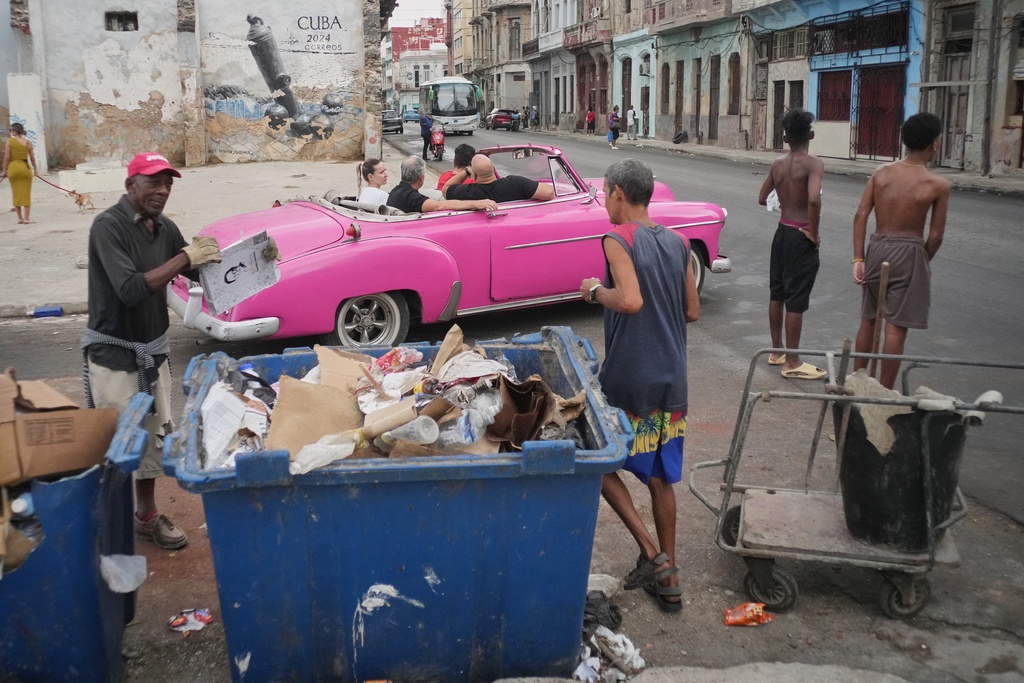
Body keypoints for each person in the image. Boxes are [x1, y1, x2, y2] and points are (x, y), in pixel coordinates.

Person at [82, 152, 229, 550]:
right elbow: (130, 290)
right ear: (131, 185)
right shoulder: (107, 227)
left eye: (168, 183)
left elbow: (195, 268)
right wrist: (185, 256)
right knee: (117, 446)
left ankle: (145, 516)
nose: (162, 190)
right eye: (153, 182)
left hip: (154, 353)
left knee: (153, 440)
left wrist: (252, 262)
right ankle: (108, 523)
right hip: (115, 356)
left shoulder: (164, 228)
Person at [579, 158, 699, 614]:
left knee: (598, 461)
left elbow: (629, 300)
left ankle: (653, 555)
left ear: (617, 194)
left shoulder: (617, 238)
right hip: (674, 375)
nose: (605, 202)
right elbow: (692, 312)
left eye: (606, 194)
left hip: (631, 374)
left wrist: (594, 292)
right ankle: (670, 582)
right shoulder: (679, 241)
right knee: (660, 477)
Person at [852, 112, 949, 389]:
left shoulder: (881, 174)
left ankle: (856, 386)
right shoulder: (938, 185)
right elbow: (937, 235)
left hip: (878, 246)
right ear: (935, 143)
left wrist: (859, 258)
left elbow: (861, 215)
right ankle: (883, 393)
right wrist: (921, 259)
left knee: (869, 318)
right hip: (910, 249)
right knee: (895, 327)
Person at [757, 108, 826, 380]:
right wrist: (814, 233)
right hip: (800, 234)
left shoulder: (777, 164)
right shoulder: (813, 164)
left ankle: (777, 351)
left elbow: (762, 198)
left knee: (778, 293)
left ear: (785, 138)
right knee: (796, 299)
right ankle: (793, 361)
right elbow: (813, 200)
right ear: (811, 134)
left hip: (782, 232)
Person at [387, 156, 498, 214]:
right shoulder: (411, 197)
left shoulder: (395, 191)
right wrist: (478, 204)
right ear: (422, 177)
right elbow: (441, 206)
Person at [441, 154, 556, 203]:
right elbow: (549, 192)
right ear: (493, 168)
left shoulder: (466, 192)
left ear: (474, 175)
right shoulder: (515, 183)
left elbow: (446, 187)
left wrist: (466, 171)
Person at [1, 122, 38, 224]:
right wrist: (36, 170)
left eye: (11, 130)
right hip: (25, 167)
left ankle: (20, 218)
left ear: (15, 131)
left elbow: (7, 158)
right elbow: (32, 158)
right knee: (26, 193)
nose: (11, 132)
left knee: (16, 193)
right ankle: (27, 218)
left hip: (13, 168)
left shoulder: (9, 142)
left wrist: (4, 170)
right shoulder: (28, 142)